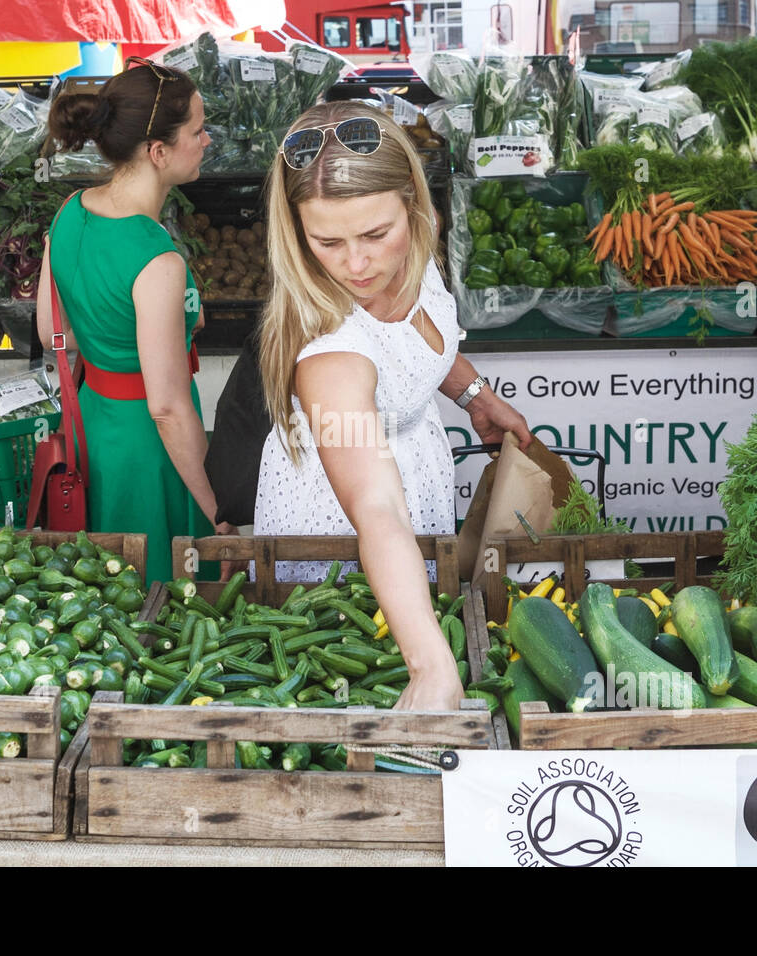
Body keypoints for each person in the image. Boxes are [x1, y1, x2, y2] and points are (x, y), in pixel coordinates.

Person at [255, 102, 533, 711]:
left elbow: (416, 333)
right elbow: (377, 507)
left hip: (417, 480)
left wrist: (474, 396)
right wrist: (430, 667)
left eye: (375, 235)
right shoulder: (330, 355)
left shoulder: (418, 249)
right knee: (351, 658)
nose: (357, 264)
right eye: (326, 241)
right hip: (341, 525)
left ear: (415, 206)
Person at [37, 59, 234, 584]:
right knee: (164, 600)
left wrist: (120, 333)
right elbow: (167, 408)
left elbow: (54, 333)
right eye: (197, 129)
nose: (207, 140)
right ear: (158, 151)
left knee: (106, 593)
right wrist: (217, 510)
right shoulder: (157, 259)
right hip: (149, 453)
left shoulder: (70, 211)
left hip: (93, 431)